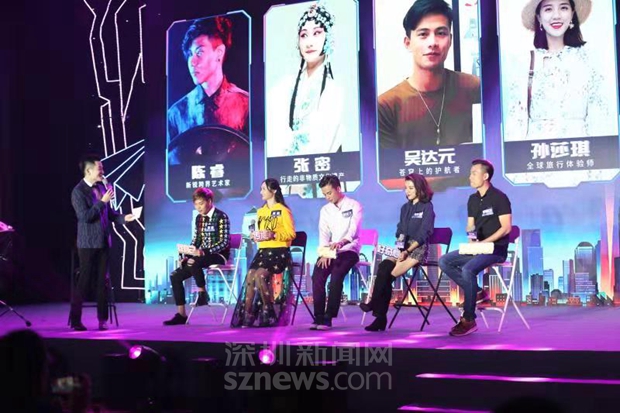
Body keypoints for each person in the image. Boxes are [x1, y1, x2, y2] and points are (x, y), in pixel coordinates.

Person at [378, 0, 480, 149]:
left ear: (450, 40)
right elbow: (387, 163)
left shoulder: (474, 88)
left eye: (441, 33)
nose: (432, 42)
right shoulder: (387, 106)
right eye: (423, 34)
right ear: (407, 43)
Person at [505, 0, 613, 140]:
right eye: (548, 9)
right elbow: (516, 122)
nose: (556, 15)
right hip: (538, 150)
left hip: (580, 149)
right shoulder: (524, 63)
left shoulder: (589, 61)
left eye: (563, 8)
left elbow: (600, 120)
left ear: (572, 14)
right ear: (539, 17)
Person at [438, 159, 512, 336]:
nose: (470, 177)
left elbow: (506, 228)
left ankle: (469, 320)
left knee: (468, 269)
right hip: (478, 247)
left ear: (485, 176)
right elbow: (470, 225)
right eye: (470, 173)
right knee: (444, 261)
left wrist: (485, 243)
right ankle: (477, 291)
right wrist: (471, 237)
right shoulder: (472, 199)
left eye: (474, 173)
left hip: (495, 249)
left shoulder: (499, 197)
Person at [167, 16, 249, 163]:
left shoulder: (246, 105)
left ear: (219, 53)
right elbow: (171, 166)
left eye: (199, 52)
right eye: (190, 54)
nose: (192, 62)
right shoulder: (177, 113)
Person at [267, 2, 344, 158]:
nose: (309, 42)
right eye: (304, 35)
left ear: (328, 38)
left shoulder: (334, 91)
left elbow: (326, 143)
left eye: (317, 33)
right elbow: (274, 135)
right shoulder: (282, 88)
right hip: (284, 167)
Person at [359, 173, 435, 331]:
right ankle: (379, 316)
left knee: (388, 276)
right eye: (406, 188)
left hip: (417, 249)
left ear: (420, 188)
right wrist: (400, 245)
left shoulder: (427, 207)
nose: (407, 191)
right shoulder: (405, 208)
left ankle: (377, 311)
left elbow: (424, 234)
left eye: (411, 188)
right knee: (383, 267)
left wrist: (407, 250)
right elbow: (400, 230)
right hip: (402, 248)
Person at [69, 155, 135, 331]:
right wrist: (102, 201)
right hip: (88, 244)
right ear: (88, 171)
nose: (103, 172)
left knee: (103, 282)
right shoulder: (78, 191)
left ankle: (102, 320)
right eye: (100, 169)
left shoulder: (100, 188)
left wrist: (124, 218)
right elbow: (85, 217)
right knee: (83, 281)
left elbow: (109, 213)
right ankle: (75, 320)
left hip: (104, 241)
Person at [231, 179, 296, 327]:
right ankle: (247, 314)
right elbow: (259, 232)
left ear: (274, 191)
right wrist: (255, 236)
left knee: (260, 275)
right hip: (263, 251)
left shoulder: (283, 210)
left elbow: (291, 234)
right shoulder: (261, 211)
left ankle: (268, 310)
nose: (261, 192)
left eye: (263, 189)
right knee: (250, 275)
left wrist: (274, 235)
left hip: (279, 251)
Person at [163, 188, 231, 326]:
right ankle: (181, 315)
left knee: (194, 261)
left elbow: (224, 242)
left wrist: (204, 252)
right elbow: (197, 240)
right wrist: (187, 254)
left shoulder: (221, 216)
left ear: (209, 201)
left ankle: (202, 293)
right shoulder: (199, 218)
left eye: (201, 203)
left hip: (218, 255)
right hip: (199, 258)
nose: (198, 207)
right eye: (196, 204)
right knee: (175, 276)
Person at [311, 175, 362, 330]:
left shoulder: (354, 205)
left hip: (349, 250)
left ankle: (329, 317)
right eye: (324, 194)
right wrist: (325, 252)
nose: (327, 197)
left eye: (329, 193)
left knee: (336, 275)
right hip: (331, 251)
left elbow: (353, 230)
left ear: (338, 189)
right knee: (317, 275)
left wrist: (342, 242)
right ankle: (319, 316)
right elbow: (324, 233)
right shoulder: (325, 210)